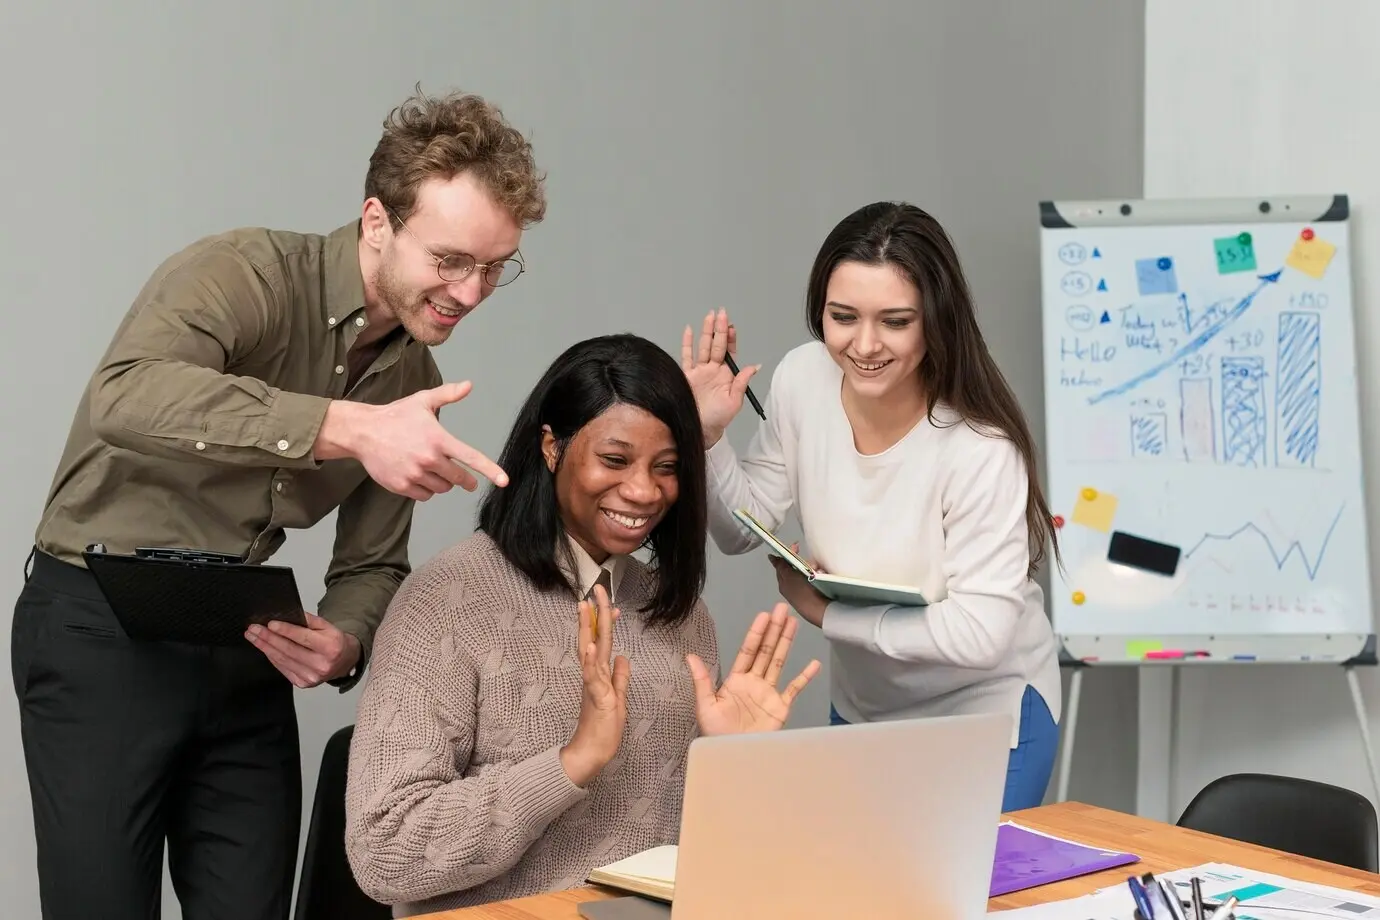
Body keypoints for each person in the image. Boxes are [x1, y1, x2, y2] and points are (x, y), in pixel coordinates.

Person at [10, 87, 543, 920]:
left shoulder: (413, 381)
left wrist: (347, 637)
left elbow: (372, 561)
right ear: (377, 222)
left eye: (493, 267)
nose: (471, 292)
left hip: (240, 633)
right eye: (450, 260)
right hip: (99, 623)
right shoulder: (244, 273)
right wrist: (342, 426)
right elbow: (126, 395)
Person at [344, 333, 821, 915]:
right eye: (615, 460)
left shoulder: (679, 615)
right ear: (552, 447)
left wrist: (732, 769)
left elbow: (685, 855)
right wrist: (571, 762)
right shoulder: (447, 600)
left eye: (667, 467)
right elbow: (384, 852)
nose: (644, 491)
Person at [681, 201, 1063, 811]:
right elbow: (741, 528)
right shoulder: (803, 379)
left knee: (964, 904)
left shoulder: (979, 447)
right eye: (842, 317)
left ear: (935, 322)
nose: (864, 344)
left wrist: (830, 617)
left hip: (989, 716)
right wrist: (706, 438)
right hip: (866, 707)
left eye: (894, 321)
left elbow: (980, 635)